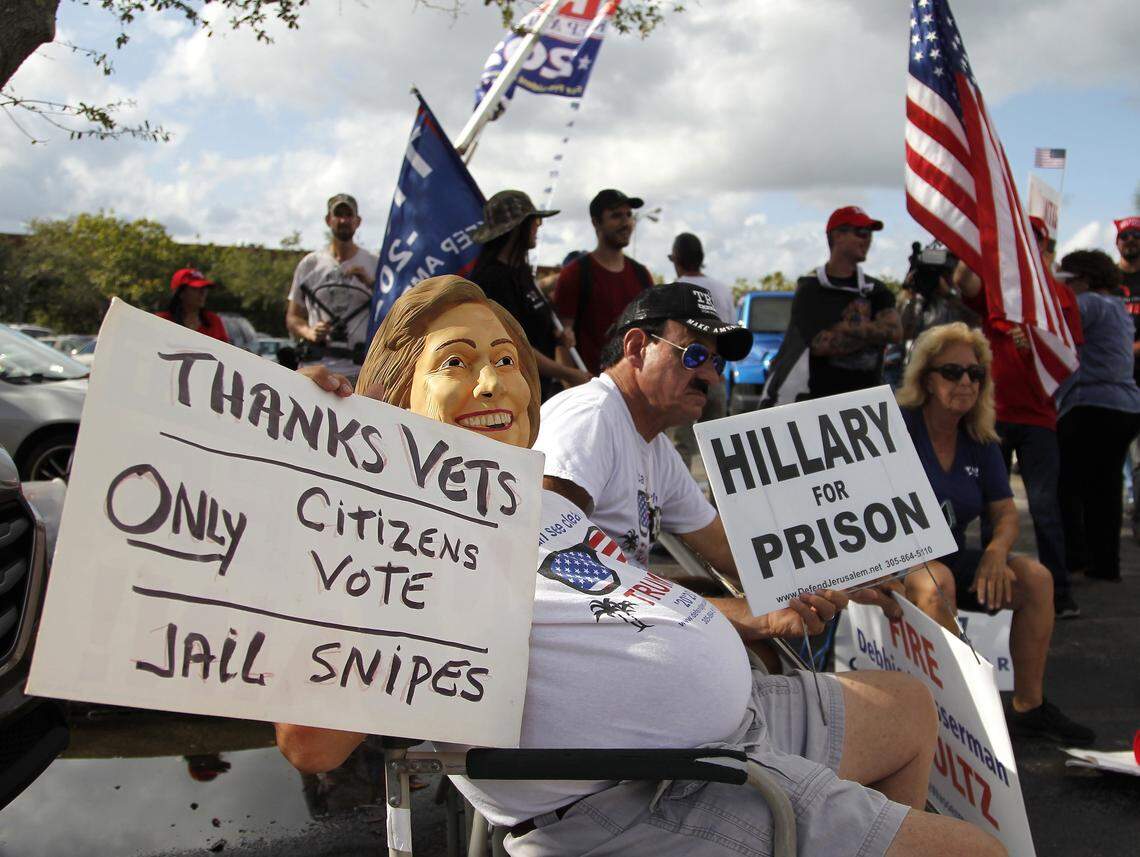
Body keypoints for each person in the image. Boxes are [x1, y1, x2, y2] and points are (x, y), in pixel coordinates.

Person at [279, 275, 1003, 857]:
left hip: (719, 734)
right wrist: (342, 469)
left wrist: (832, 573)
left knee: (907, 707)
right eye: (458, 364)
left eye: (507, 361)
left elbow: (735, 557)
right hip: (646, 790)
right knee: (975, 852)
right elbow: (312, 743)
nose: (495, 383)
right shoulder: (413, 534)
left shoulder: (561, 489)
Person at [534, 281, 900, 630]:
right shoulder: (591, 417)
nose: (712, 377)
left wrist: (847, 576)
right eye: (694, 355)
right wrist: (742, 615)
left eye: (717, 362)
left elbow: (731, 548)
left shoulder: (654, 446)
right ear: (636, 348)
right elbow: (542, 558)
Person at [897, 322, 1094, 747]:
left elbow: (1005, 513)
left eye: (975, 373)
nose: (966, 381)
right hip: (897, 566)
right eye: (953, 371)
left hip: (947, 561)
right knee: (938, 583)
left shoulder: (979, 439)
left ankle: (1029, 708)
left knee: (1036, 579)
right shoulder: (896, 428)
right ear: (927, 378)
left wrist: (995, 551)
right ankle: (949, 718)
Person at [952, 217, 1083, 619]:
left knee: (1044, 507)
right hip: (993, 416)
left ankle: (1059, 593)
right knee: (994, 508)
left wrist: (1040, 340)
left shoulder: (1060, 295)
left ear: (1046, 248)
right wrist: (972, 233)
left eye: (1033, 241)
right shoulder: (998, 291)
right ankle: (994, 591)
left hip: (1039, 417)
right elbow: (963, 280)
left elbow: (1072, 352)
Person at [1054, 250, 1140, 582]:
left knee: (1067, 486)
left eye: (1067, 283)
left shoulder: (1087, 304)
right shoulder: (1119, 308)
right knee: (1106, 489)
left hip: (1090, 404)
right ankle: (1106, 564)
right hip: (1125, 406)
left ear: (1083, 281)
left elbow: (1055, 328)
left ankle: (1074, 556)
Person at [760, 206, 901, 405]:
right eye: (861, 232)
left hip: (867, 402)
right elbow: (820, 345)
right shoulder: (811, 287)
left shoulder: (875, 289)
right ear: (837, 236)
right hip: (819, 402)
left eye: (869, 234)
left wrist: (845, 328)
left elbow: (894, 332)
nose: (867, 239)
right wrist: (873, 332)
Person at [469, 190, 590, 400]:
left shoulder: (521, 273)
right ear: (517, 228)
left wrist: (557, 334)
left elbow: (532, 323)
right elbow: (512, 345)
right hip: (511, 395)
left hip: (535, 390)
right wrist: (568, 373)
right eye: (534, 220)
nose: (539, 226)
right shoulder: (491, 281)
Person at [551, 189, 654, 375]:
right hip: (592, 388)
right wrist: (572, 388)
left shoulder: (642, 275)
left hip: (637, 390)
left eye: (629, 215)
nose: (626, 223)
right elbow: (563, 343)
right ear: (596, 222)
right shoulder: (575, 274)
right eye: (616, 216)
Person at [286, 193, 378, 362]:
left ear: (358, 221)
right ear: (329, 220)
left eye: (349, 215)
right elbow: (292, 317)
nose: (343, 220)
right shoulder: (310, 264)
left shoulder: (374, 264)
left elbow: (392, 309)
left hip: (359, 369)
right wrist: (309, 332)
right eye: (338, 215)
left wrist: (372, 284)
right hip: (316, 366)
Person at [669, 232, 735, 465]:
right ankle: (719, 502)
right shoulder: (722, 290)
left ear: (676, 259)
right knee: (716, 448)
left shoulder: (674, 290)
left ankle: (676, 501)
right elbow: (731, 334)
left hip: (683, 378)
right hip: (716, 376)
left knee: (681, 448)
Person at [157, 268, 229, 342]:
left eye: (204, 288)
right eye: (195, 288)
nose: (203, 293)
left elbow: (224, 352)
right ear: (181, 293)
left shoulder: (214, 321)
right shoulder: (161, 321)